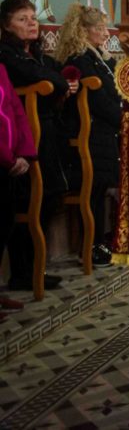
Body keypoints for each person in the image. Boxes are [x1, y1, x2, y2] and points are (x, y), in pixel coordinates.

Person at [0, 0, 77, 290]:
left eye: (33, 17)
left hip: (48, 132)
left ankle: (36, 268)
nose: (31, 23)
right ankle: (23, 271)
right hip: (25, 137)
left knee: (48, 198)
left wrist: (66, 82)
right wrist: (59, 84)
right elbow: (39, 77)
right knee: (29, 199)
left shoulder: (38, 53)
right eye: (23, 19)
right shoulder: (7, 55)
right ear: (7, 26)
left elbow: (59, 71)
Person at [53, 3, 119, 266]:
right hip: (89, 134)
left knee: (99, 189)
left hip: (102, 133)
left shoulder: (97, 58)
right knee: (91, 190)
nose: (106, 33)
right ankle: (90, 244)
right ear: (83, 31)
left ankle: (99, 241)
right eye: (100, 28)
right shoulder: (81, 60)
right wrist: (125, 118)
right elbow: (98, 100)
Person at [0, 63, 33, 318]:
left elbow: (15, 110)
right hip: (4, 161)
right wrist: (8, 159)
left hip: (12, 161)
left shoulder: (2, 68)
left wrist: (24, 152)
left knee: (4, 224)